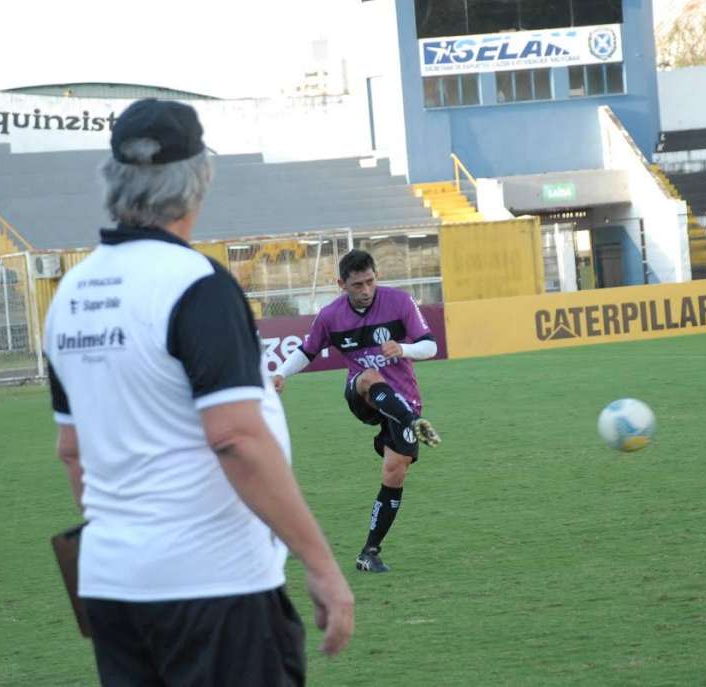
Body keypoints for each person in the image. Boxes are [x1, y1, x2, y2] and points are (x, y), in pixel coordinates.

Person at [43, 99, 353, 686]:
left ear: (112, 180)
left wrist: (132, 546)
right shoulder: (196, 284)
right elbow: (236, 437)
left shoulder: (70, 294)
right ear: (200, 179)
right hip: (215, 587)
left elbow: (72, 451)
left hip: (112, 586)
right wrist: (321, 564)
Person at [273, 249, 441, 574]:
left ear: (377, 277)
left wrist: (403, 348)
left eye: (370, 282)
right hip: (362, 394)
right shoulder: (330, 316)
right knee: (369, 376)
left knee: (395, 472)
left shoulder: (399, 302)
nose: (366, 290)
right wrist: (281, 373)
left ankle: (370, 552)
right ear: (341, 284)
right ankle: (412, 422)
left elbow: (430, 345)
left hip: (403, 398)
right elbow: (307, 350)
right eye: (357, 285)